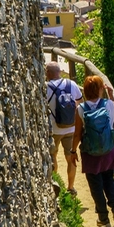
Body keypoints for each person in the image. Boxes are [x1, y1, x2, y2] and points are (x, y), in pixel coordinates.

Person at [73, 75, 114, 226]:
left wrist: (72, 151)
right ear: (101, 89)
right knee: (109, 179)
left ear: (85, 91)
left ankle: (103, 217)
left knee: (95, 185)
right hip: (109, 150)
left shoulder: (80, 109)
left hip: (91, 153)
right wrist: (111, 94)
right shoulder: (109, 105)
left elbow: (77, 133)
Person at [45, 61, 80, 193]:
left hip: (54, 129)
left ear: (48, 73)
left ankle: (55, 184)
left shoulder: (46, 87)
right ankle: (71, 187)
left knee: (53, 155)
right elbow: (79, 102)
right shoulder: (71, 84)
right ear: (59, 72)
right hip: (71, 127)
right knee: (70, 157)